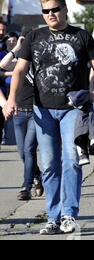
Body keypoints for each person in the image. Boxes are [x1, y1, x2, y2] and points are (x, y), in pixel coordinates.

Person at [2, 0, 94, 235]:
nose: (51, 14)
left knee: (72, 161)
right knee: (49, 165)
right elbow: (18, 71)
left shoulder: (81, 35)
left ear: (65, 9)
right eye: (46, 11)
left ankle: (69, 214)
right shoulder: (34, 37)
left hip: (74, 109)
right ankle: (53, 216)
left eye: (55, 9)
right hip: (43, 110)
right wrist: (11, 100)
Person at [0, 32, 43, 201]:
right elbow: (3, 64)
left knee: (29, 149)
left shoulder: (43, 63)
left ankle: (26, 186)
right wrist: (17, 47)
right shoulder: (20, 63)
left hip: (36, 112)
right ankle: (37, 176)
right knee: (22, 152)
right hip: (19, 113)